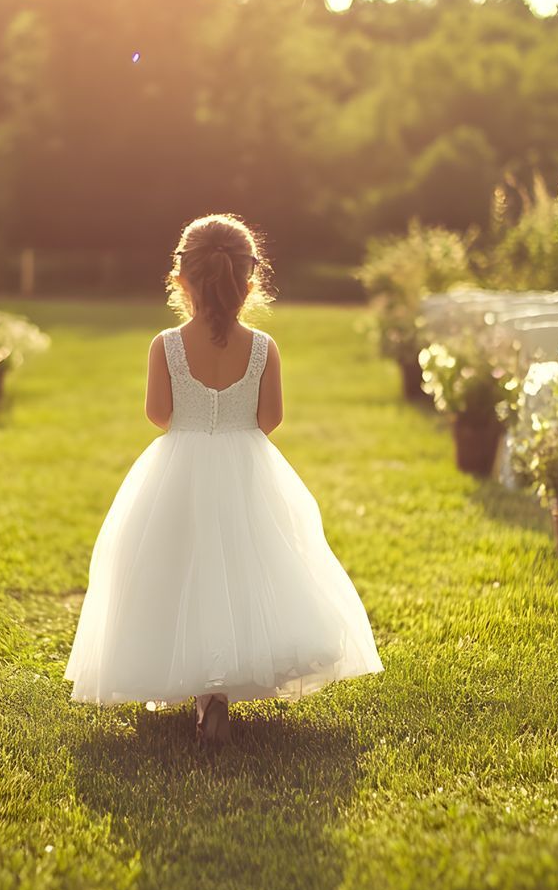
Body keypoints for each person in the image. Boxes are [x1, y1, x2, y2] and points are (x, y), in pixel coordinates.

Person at [64, 214, 383, 743]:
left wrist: (197, 419)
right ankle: (220, 690)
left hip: (179, 467)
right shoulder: (263, 348)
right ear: (249, 280)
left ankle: (195, 683)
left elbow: (159, 414)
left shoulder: (165, 345)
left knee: (177, 565)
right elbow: (268, 420)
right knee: (243, 565)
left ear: (181, 279)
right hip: (247, 466)